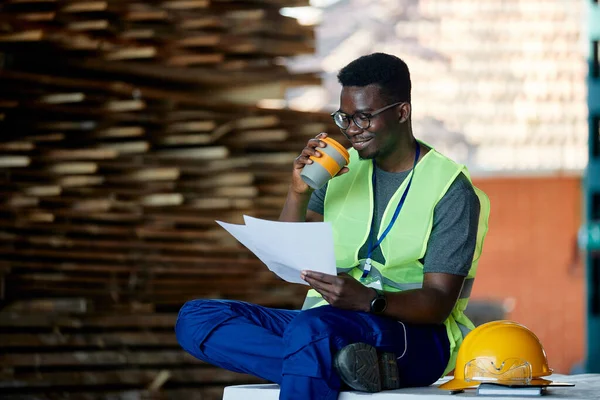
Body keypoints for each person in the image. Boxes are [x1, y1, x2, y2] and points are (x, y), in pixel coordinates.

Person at [175, 52, 490, 400]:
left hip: (413, 336)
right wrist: (298, 191)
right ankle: (344, 365)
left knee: (313, 334)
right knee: (196, 319)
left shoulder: (450, 188)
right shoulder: (338, 171)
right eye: (345, 117)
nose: (352, 130)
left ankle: (326, 360)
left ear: (402, 112)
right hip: (328, 324)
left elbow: (438, 303)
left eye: (364, 118)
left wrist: (370, 301)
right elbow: (292, 256)